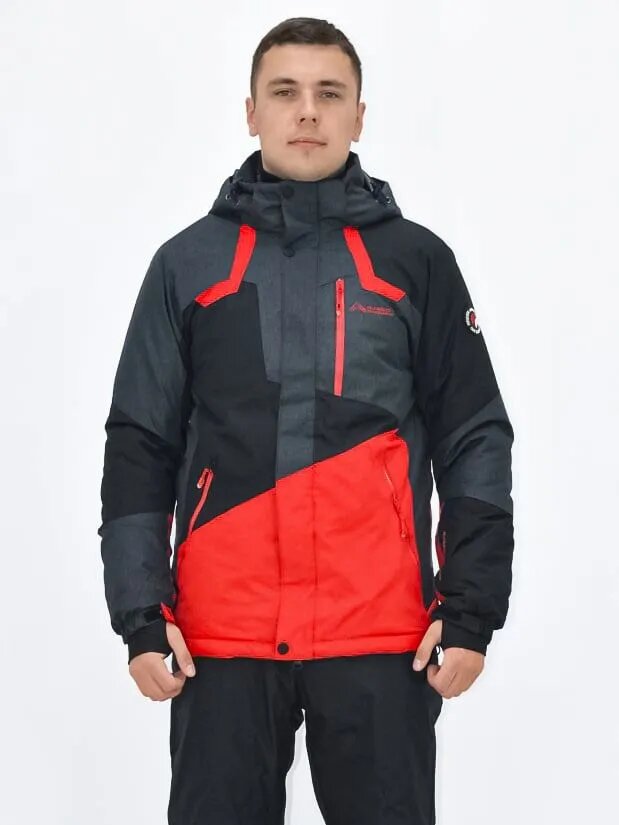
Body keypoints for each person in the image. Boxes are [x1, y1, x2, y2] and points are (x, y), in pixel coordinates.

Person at [98, 16, 514, 825]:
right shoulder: (186, 264)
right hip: (220, 640)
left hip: (380, 638)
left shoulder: (416, 262)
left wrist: (469, 608)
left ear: (359, 115)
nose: (308, 112)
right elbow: (139, 443)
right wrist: (142, 615)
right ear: (250, 111)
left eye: (329, 93)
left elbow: (473, 437)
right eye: (285, 92)